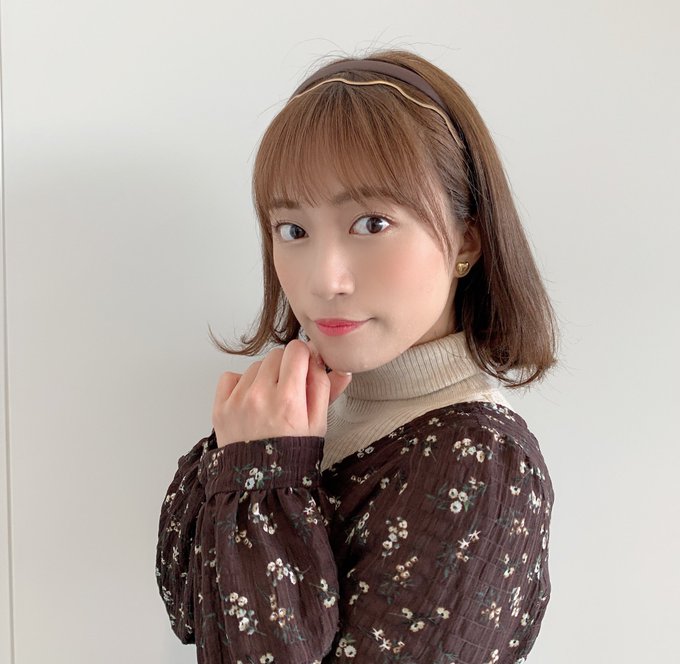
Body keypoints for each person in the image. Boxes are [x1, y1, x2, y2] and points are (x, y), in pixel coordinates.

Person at [155, 49, 559, 664]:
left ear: (467, 240)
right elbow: (190, 610)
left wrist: (263, 477)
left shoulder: (479, 463)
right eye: (293, 230)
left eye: (372, 223)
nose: (325, 280)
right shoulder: (290, 413)